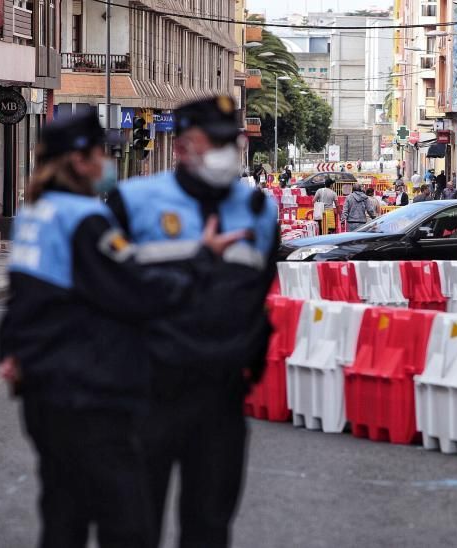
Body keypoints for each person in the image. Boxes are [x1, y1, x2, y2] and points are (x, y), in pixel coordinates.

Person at [0, 111, 242, 548]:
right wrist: (202, 260)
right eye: (101, 152)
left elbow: (24, 300)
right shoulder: (84, 220)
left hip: (43, 388)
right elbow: (136, 290)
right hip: (86, 392)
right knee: (128, 523)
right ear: (78, 161)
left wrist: (13, 353)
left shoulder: (36, 214)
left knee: (64, 513)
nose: (108, 161)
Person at [107, 96, 279, 548]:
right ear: (182, 147)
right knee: (131, 527)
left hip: (219, 397)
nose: (230, 149)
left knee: (209, 528)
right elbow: (109, 296)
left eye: (233, 139)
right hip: (146, 393)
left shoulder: (260, 211)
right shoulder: (134, 202)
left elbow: (258, 296)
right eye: (216, 141)